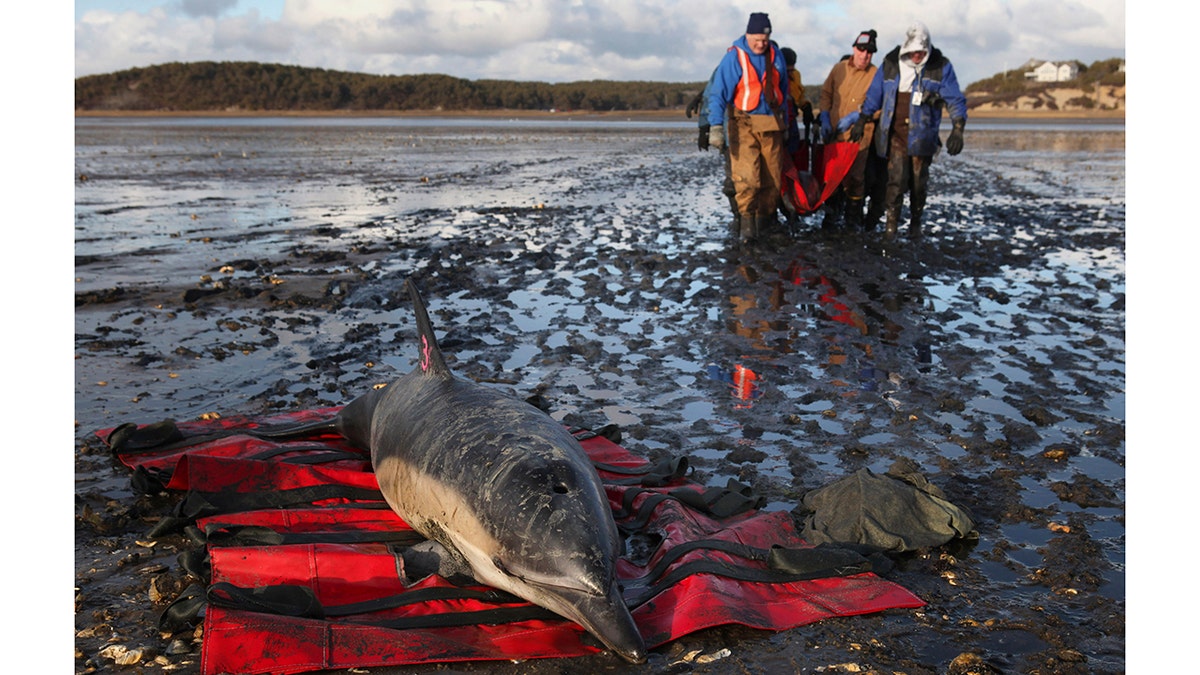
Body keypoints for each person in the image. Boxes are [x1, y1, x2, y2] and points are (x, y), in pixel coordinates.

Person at [851, 21, 966, 239]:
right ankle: (890, 229)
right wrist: (863, 118)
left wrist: (958, 128)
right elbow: (876, 93)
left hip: (923, 134)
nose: (917, 57)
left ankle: (915, 223)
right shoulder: (891, 63)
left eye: (921, 52)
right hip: (894, 133)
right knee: (895, 181)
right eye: (913, 52)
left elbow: (955, 98)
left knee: (918, 182)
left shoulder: (940, 65)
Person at [705, 12, 789, 244]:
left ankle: (765, 227)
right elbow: (718, 93)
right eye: (757, 40)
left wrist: (789, 125)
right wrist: (714, 127)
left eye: (765, 39)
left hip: (772, 125)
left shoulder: (776, 54)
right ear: (748, 35)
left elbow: (785, 93)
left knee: (772, 181)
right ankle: (747, 231)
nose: (761, 44)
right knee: (748, 180)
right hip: (743, 124)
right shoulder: (734, 58)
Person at [818, 29, 886, 230]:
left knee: (855, 177)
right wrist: (823, 116)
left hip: (859, 134)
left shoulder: (876, 74)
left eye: (869, 52)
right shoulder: (839, 69)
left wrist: (859, 116)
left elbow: (882, 107)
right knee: (831, 176)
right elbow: (826, 94)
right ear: (854, 48)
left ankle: (852, 218)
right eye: (861, 50)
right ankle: (831, 216)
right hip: (833, 132)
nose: (864, 56)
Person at [781, 47, 814, 157]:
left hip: (792, 122)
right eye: (787, 70)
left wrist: (805, 105)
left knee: (794, 152)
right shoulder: (774, 77)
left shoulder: (796, 75)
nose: (790, 73)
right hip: (780, 122)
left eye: (792, 69)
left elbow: (799, 95)